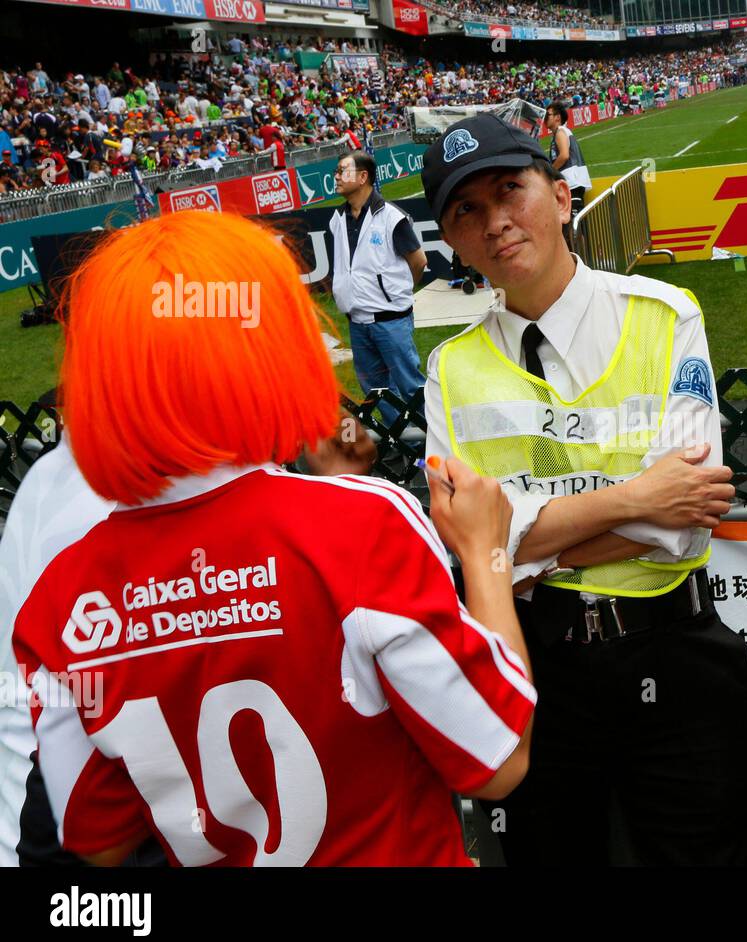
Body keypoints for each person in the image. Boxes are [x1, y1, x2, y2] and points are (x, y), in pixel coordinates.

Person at [6, 212, 534, 866]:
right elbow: (497, 758)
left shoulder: (61, 594)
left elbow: (101, 841)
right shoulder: (363, 522)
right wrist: (487, 552)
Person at [420, 114, 747, 865]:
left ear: (563, 197)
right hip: (540, 672)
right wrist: (634, 499)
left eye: (511, 189)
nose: (495, 221)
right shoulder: (449, 368)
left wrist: (523, 546)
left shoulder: (665, 315)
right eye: (465, 210)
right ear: (452, 240)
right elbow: (467, 538)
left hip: (677, 659)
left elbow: (687, 523)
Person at [329, 149, 428, 424]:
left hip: (391, 321)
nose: (336, 176)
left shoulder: (391, 217)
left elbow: (418, 262)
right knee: (376, 390)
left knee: (410, 385)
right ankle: (401, 444)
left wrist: (398, 294)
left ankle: (431, 441)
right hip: (357, 322)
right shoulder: (337, 219)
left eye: (342, 170)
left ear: (363, 177)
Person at [544, 101, 592, 221]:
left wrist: (550, 172)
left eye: (547, 115)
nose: (544, 118)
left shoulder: (560, 132)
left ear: (557, 117)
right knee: (576, 225)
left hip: (572, 182)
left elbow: (564, 155)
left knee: (575, 225)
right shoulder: (559, 133)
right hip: (573, 182)